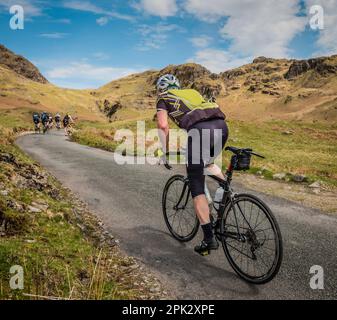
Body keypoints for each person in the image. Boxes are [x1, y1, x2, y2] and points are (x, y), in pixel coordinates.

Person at [156, 74, 229, 256]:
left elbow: (163, 125)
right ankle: (227, 191)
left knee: (196, 186)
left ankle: (208, 239)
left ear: (160, 89)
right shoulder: (192, 93)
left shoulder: (163, 98)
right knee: (208, 162)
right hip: (222, 127)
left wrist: (164, 152)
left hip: (200, 132)